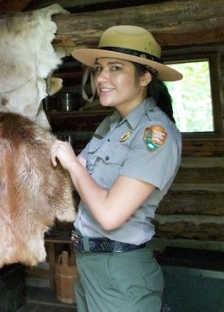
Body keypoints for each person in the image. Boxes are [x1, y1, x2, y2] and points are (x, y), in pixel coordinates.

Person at [50, 25, 183, 312]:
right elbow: (78, 175)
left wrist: (72, 162)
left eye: (116, 68)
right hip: (91, 265)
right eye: (99, 69)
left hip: (120, 271)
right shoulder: (112, 124)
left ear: (145, 77)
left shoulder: (155, 135)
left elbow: (110, 216)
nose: (102, 78)